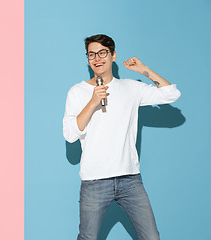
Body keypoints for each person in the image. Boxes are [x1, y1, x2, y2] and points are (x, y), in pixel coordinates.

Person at [63, 34, 181, 240]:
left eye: (102, 53)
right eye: (91, 54)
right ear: (88, 59)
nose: (97, 59)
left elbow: (171, 94)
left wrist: (143, 70)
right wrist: (92, 102)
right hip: (94, 181)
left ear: (113, 55)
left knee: (151, 237)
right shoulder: (77, 91)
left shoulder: (130, 88)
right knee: (87, 237)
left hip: (130, 180)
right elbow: (70, 135)